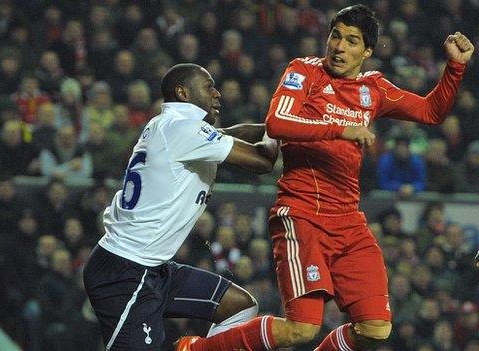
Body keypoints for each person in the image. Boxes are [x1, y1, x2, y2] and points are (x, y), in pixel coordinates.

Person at [177, 4, 473, 351]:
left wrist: (455, 67)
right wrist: (341, 130)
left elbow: (431, 110)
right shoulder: (304, 71)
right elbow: (277, 123)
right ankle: (194, 349)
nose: (339, 47)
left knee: (376, 329)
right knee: (301, 329)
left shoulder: (373, 88)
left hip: (349, 222)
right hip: (301, 214)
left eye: (351, 41)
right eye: (335, 36)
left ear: (367, 51)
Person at [82, 63, 278, 350]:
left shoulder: (169, 125)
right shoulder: (183, 129)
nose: (217, 94)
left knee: (239, 307)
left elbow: (231, 133)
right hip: (124, 273)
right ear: (183, 93)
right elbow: (263, 161)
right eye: (209, 86)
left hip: (153, 267)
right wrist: (283, 127)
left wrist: (273, 128)